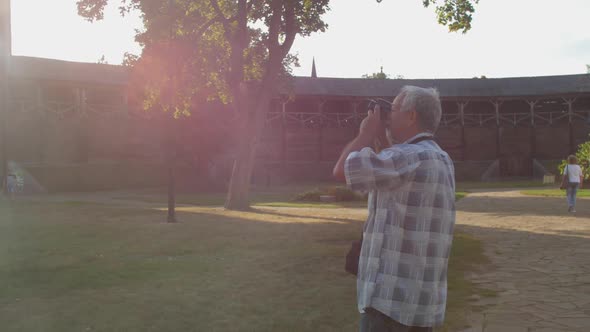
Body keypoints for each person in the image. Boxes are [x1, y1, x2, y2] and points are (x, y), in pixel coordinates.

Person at [333, 86, 455, 332]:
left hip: (389, 304)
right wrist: (384, 140)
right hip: (422, 302)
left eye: (394, 109)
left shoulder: (407, 157)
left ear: (411, 116)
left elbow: (341, 171)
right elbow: (391, 177)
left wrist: (365, 134)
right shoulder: (441, 158)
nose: (388, 116)